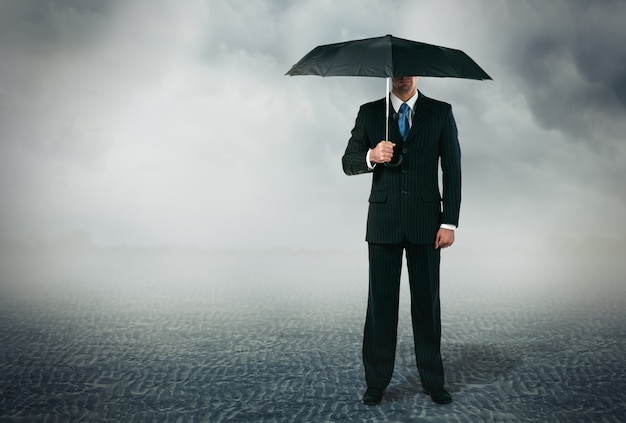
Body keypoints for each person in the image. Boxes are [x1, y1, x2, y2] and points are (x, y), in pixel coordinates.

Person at [342, 76, 461, 406]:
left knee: (427, 306)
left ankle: (433, 381)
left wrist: (449, 221)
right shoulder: (369, 113)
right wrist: (371, 155)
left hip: (427, 224)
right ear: (388, 75)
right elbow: (347, 163)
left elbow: (452, 169)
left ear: (419, 74)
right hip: (383, 224)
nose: (404, 76)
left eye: (411, 70)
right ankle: (376, 382)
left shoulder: (440, 112)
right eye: (398, 71)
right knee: (381, 307)